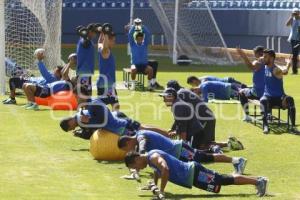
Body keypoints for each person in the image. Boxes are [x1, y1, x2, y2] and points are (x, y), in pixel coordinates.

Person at [125, 150, 268, 199]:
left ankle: (258, 182)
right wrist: (154, 185)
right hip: (192, 175)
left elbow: (165, 169)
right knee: (222, 180)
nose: (139, 169)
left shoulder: (153, 156)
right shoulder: (149, 160)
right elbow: (158, 171)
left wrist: (161, 191)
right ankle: (258, 181)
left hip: (194, 173)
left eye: (135, 166)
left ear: (137, 159)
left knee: (223, 180)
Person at [118, 130, 247, 175]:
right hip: (178, 150)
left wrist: (140, 154)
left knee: (206, 158)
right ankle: (235, 161)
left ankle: (236, 160)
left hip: (180, 150)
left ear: (128, 142)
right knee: (205, 157)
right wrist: (135, 170)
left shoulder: (141, 138)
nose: (128, 150)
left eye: (126, 148)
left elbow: (142, 148)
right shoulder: (139, 136)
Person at [160, 87, 244, 151]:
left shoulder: (179, 99)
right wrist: (173, 128)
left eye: (165, 96)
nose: (164, 100)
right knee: (202, 144)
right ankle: (228, 144)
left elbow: (182, 118)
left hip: (205, 118)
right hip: (204, 117)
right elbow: (180, 118)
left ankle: (227, 145)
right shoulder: (180, 96)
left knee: (201, 146)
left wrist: (177, 132)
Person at [59, 98, 169, 139]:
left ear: (69, 122)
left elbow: (98, 125)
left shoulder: (82, 120)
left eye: (70, 128)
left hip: (120, 128)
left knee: (144, 132)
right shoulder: (82, 111)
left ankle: (167, 136)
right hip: (120, 119)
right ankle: (167, 133)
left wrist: (82, 131)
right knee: (143, 126)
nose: (72, 129)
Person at [260, 49, 299, 134]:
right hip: (268, 97)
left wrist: (288, 64)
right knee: (263, 100)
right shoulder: (266, 66)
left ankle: (293, 127)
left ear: (272, 58)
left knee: (290, 99)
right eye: (263, 56)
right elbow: (284, 70)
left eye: (265, 57)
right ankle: (265, 126)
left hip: (280, 98)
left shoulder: (275, 70)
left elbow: (284, 72)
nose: (263, 58)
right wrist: (288, 63)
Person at [128, 19, 163, 90]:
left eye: (141, 39)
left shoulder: (145, 44)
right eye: (139, 39)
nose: (140, 40)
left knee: (151, 70)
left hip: (144, 65)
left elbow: (148, 34)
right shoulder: (133, 44)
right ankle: (133, 85)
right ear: (136, 39)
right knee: (133, 69)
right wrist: (134, 26)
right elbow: (130, 34)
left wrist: (141, 26)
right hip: (135, 65)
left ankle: (149, 85)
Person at [237, 46, 265, 122]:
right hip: (268, 93)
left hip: (258, 93)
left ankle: (247, 116)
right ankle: (266, 114)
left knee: (241, 92)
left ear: (257, 54)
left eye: (254, 54)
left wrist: (243, 56)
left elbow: (251, 67)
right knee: (248, 88)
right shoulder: (270, 63)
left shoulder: (258, 62)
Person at [97, 29, 119, 111]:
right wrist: (105, 34)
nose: (114, 43)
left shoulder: (101, 48)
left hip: (106, 84)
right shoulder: (105, 51)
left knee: (113, 105)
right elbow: (104, 45)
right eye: (113, 41)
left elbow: (99, 42)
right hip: (107, 85)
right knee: (115, 106)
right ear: (108, 40)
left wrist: (102, 33)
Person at [76, 23, 98, 103]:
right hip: (84, 73)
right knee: (85, 95)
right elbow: (85, 42)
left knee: (86, 95)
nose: (95, 34)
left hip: (85, 72)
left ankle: (84, 113)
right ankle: (82, 113)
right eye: (94, 32)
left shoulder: (83, 39)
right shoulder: (85, 41)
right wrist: (85, 34)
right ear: (90, 32)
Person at [286, 8, 300, 74]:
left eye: (296, 13)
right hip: (293, 40)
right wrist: (291, 17)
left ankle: (294, 70)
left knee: (295, 55)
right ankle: (294, 71)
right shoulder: (292, 19)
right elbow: (287, 24)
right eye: (294, 13)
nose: (295, 14)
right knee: (294, 55)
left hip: (298, 39)